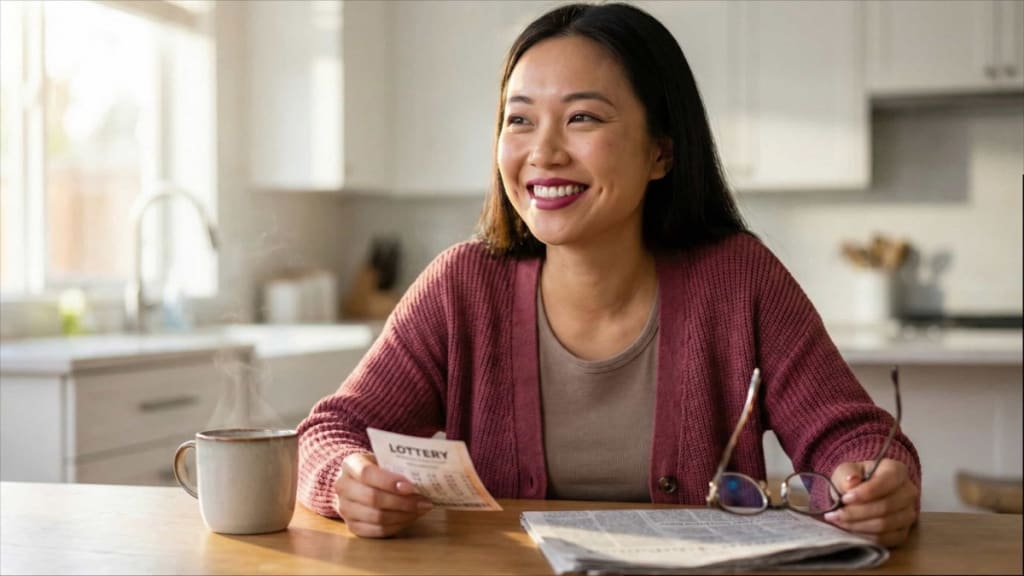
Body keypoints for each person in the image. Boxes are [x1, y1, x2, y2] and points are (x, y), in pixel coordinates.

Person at [296, 2, 921, 544]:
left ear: (660, 152)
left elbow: (853, 436)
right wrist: (347, 480)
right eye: (519, 119)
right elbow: (328, 432)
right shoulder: (463, 287)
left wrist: (873, 480)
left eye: (583, 118)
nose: (543, 152)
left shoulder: (739, 280)